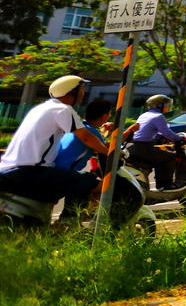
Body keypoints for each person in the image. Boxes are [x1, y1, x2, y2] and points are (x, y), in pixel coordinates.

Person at [0, 76, 110, 219]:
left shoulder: (42, 108)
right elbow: (86, 137)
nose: (83, 94)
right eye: (81, 90)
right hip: (31, 169)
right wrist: (110, 152)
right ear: (71, 92)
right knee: (86, 180)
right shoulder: (62, 109)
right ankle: (68, 224)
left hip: (12, 167)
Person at [124, 95, 186, 189]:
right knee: (171, 156)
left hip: (132, 146)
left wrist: (160, 137)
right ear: (159, 105)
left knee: (161, 156)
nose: (168, 106)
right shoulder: (158, 116)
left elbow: (147, 130)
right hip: (143, 148)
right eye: (166, 104)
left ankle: (162, 183)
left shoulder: (145, 115)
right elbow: (167, 133)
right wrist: (181, 138)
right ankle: (166, 185)